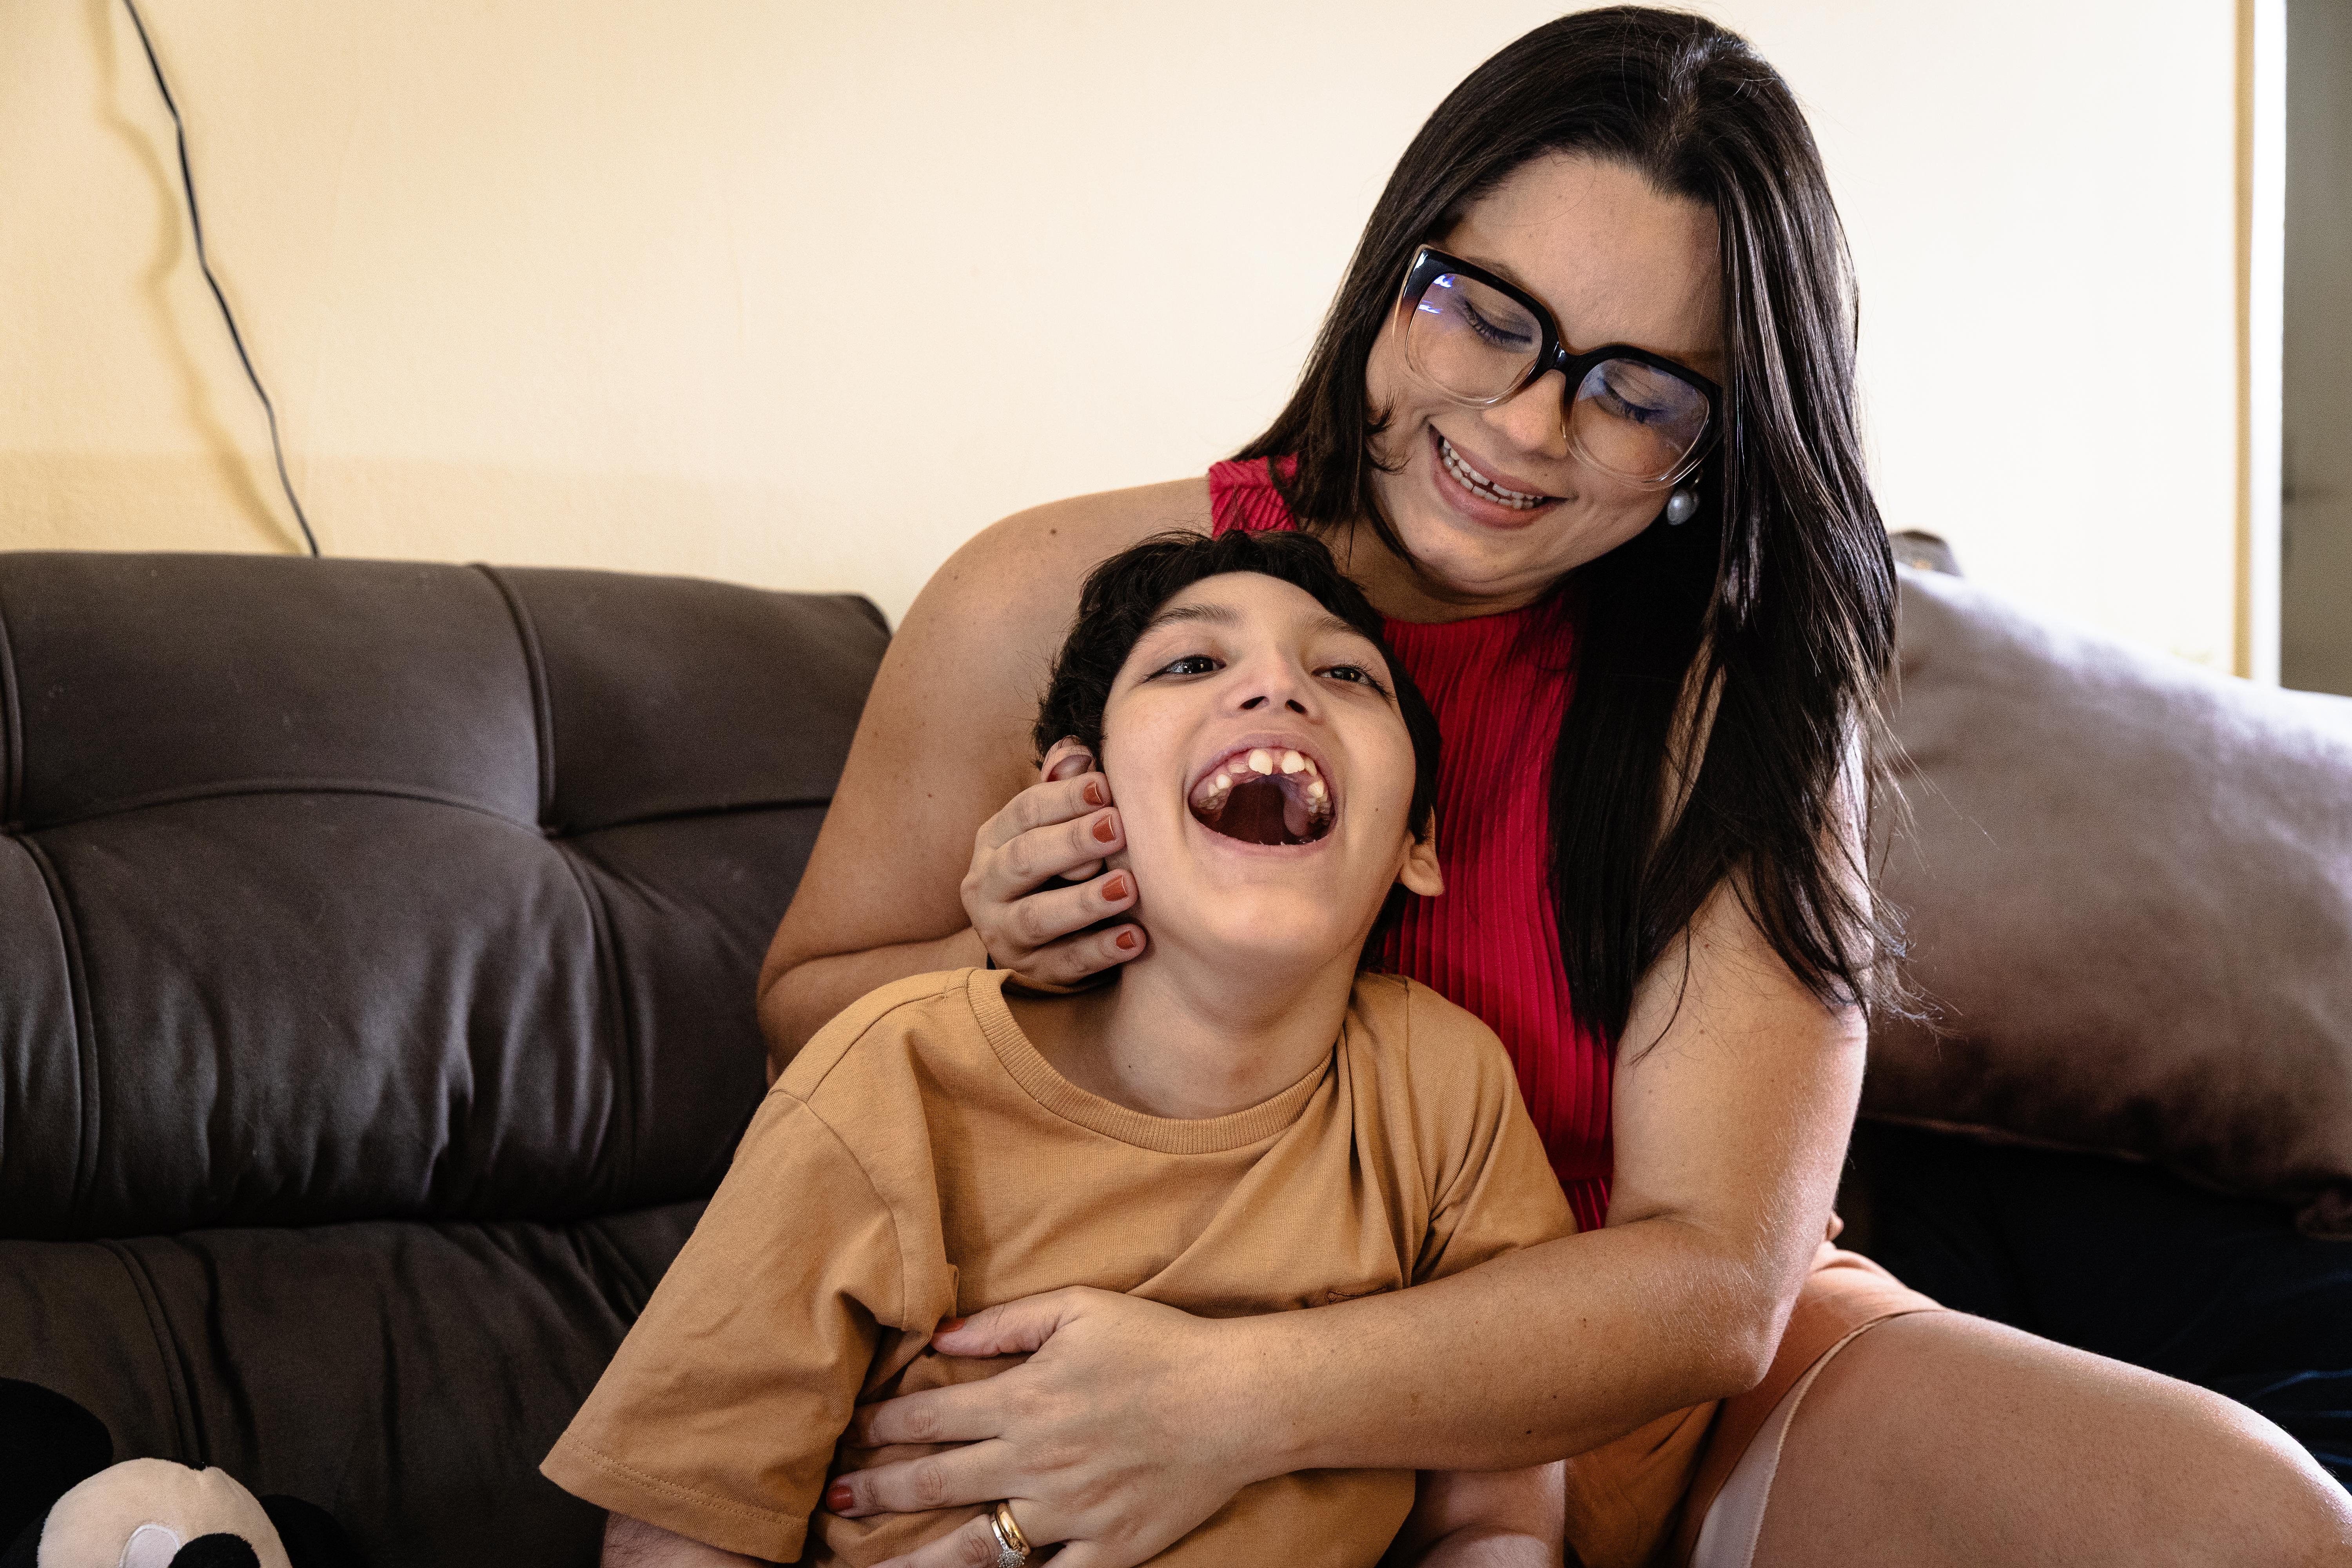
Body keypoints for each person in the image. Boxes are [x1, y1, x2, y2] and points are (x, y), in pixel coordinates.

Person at [757, 9, 2352, 1567]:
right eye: (1487, 311)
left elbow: (1722, 1280)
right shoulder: (1054, 591)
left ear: (1710, 447)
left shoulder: (1723, 696)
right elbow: (805, 1016)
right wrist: (1008, 957)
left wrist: (1233, 1403)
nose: (1526, 424)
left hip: (1618, 1381)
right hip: (1158, 1298)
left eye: (1640, 390)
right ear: (1399, 274)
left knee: (2263, 1520)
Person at [548, 529, 1584, 1568]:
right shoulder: (895, 1074)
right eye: (1192, 663)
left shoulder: (1444, 1087)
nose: (1278, 687)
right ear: (1076, 799)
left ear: (1419, 844)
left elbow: (1495, 1507)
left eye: (1344, 674)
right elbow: (678, 1524)